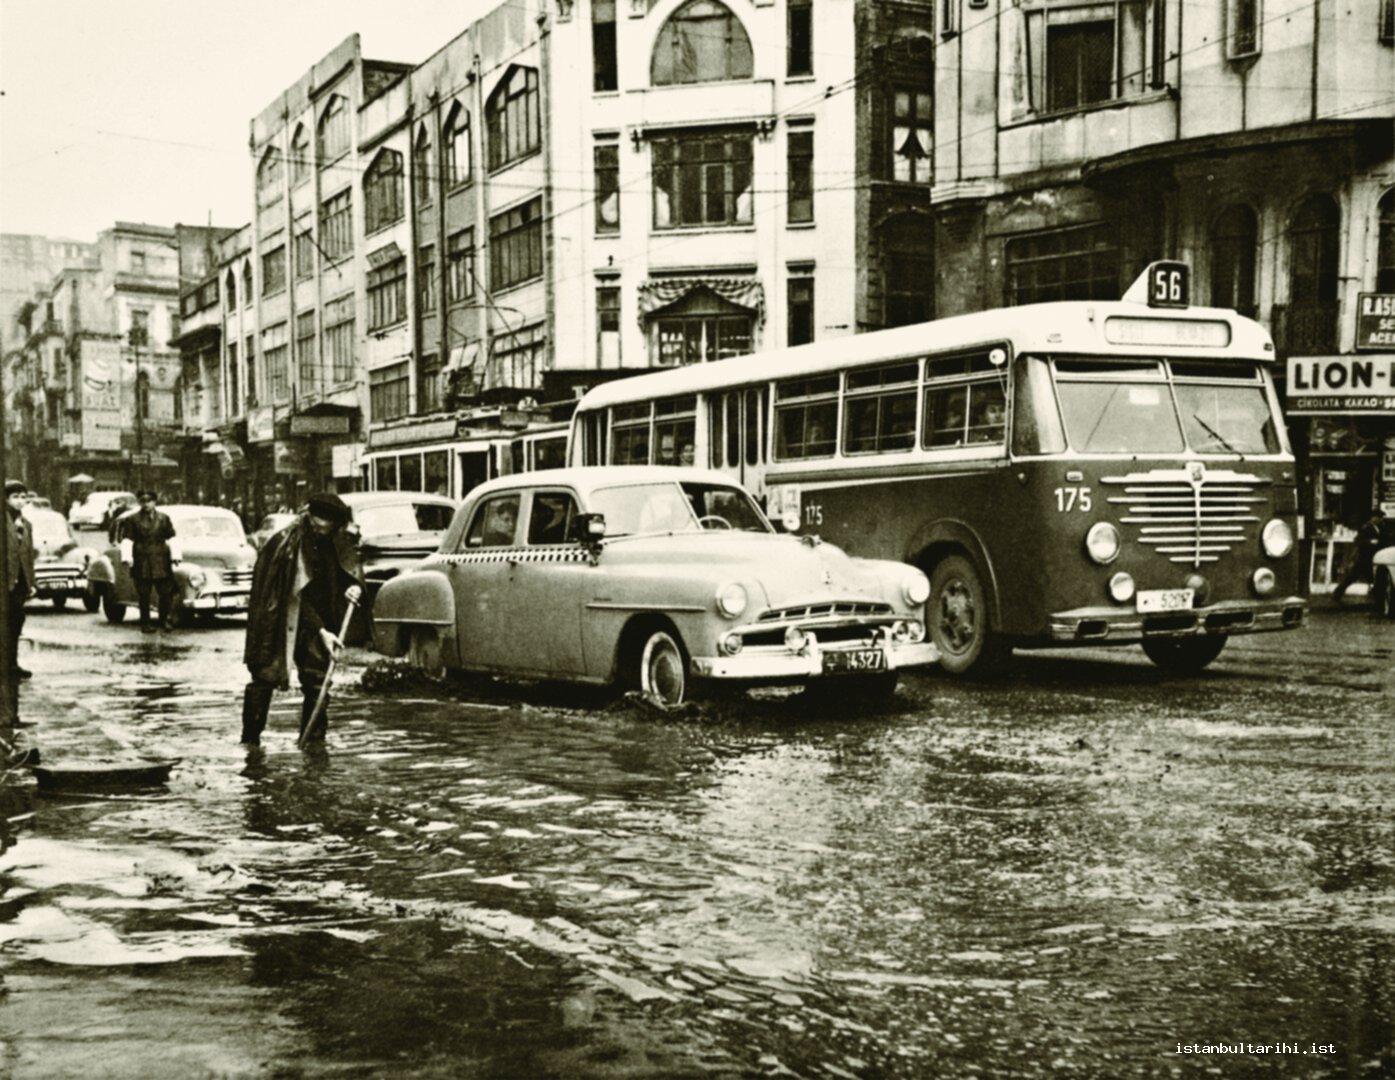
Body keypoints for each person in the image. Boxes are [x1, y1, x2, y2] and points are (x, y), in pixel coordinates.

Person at [241, 493, 361, 746]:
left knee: (318, 682)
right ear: (308, 517)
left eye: (326, 529)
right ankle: (251, 745)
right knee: (265, 677)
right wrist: (321, 630)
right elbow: (293, 596)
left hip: (316, 623)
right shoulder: (286, 544)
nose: (320, 532)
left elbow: (344, 574)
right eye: (316, 526)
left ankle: (313, 747)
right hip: (280, 619)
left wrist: (350, 588)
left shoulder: (337, 542)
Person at [118, 490, 177, 631]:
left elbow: (172, 538)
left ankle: (164, 621)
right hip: (141, 560)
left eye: (149, 500)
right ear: (139, 502)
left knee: (165, 593)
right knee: (144, 594)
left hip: (161, 559)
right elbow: (127, 539)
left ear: (155, 502)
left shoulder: (164, 518)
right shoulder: (132, 519)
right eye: (143, 501)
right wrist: (127, 557)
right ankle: (145, 624)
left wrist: (176, 556)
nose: (146, 504)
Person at [4, 481, 36, 681]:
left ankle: (12, 664)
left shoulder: (26, 524)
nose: (20, 501)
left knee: (16, 621)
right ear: (5, 499)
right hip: (4, 581)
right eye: (15, 497)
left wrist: (31, 582)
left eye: (23, 497)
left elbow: (28, 555)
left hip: (19, 582)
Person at [1332, 510, 1389, 603]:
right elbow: (1358, 540)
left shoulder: (1379, 527)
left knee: (1367, 578)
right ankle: (1337, 594)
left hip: (1370, 557)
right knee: (1353, 577)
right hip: (1364, 557)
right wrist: (1369, 541)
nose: (1381, 519)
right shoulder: (1366, 527)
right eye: (1379, 517)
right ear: (1374, 517)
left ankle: (1377, 598)